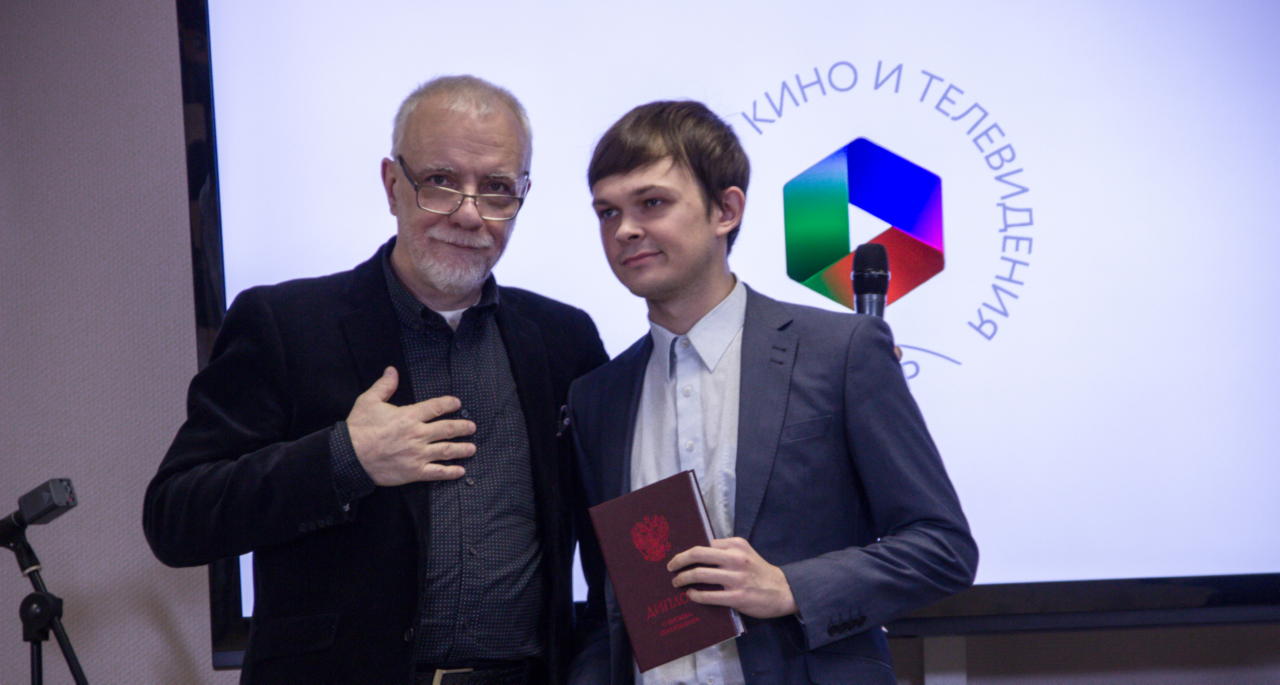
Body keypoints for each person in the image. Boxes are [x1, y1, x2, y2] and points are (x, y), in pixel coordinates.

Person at [144, 75, 607, 685]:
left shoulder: (563, 339)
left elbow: (607, 534)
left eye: (496, 189)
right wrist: (345, 458)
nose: (469, 214)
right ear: (393, 185)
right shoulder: (286, 324)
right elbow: (177, 517)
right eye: (441, 181)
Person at [567, 101, 977, 685]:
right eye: (607, 212)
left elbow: (942, 548)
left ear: (726, 210)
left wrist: (790, 587)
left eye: (652, 203)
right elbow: (608, 606)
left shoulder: (841, 352)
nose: (625, 229)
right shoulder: (597, 398)